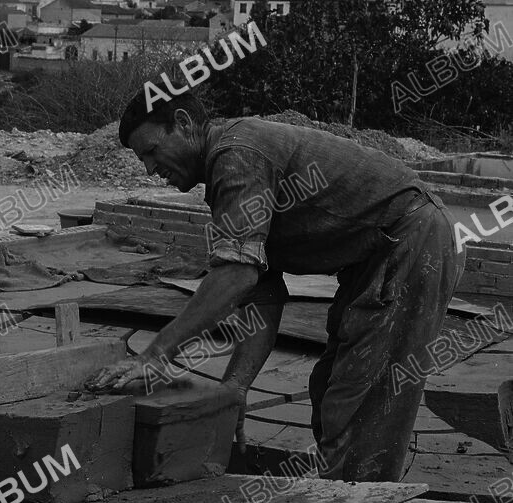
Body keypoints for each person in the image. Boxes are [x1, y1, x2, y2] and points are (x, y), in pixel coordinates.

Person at [85, 89, 464, 483]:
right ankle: (344, 497)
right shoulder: (227, 174)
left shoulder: (238, 155)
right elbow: (261, 292)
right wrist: (235, 387)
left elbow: (235, 275)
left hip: (411, 243)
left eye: (151, 151)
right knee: (329, 387)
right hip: (381, 254)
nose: (149, 169)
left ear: (183, 123)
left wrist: (156, 354)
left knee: (359, 404)